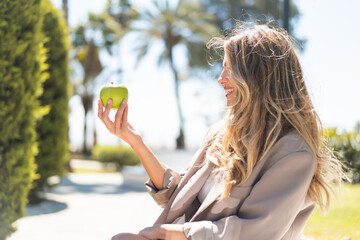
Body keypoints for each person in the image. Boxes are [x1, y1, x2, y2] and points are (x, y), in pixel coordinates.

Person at [98, 22, 344, 240]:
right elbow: (183, 196)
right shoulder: (222, 133)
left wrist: (166, 234)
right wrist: (134, 140)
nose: (220, 78)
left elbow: (255, 232)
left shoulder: (293, 154)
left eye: (229, 68)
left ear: (258, 77)